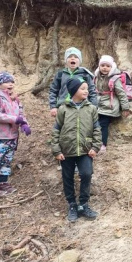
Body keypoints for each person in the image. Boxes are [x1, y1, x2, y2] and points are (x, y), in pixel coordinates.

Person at [51, 78, 101, 222]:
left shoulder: (91, 108)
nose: (86, 91)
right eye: (82, 88)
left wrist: (95, 147)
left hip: (86, 150)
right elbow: (56, 130)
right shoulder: (63, 109)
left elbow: (97, 129)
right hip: (66, 150)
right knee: (67, 177)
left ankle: (84, 204)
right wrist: (56, 150)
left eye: (87, 88)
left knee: (86, 174)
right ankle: (72, 205)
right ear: (74, 91)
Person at [0, 72, 31, 198]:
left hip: (12, 137)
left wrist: (24, 124)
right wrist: (15, 119)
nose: (10, 84)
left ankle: (2, 183)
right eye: (7, 82)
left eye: (12, 82)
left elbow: (21, 114)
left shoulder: (14, 99)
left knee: (6, 161)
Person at [94, 55, 132, 153]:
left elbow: (121, 94)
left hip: (109, 106)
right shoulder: (97, 77)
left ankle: (103, 144)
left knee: (103, 124)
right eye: (102, 65)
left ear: (112, 67)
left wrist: (125, 108)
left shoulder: (115, 79)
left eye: (107, 66)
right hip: (98, 104)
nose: (105, 68)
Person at [49, 47, 97, 116]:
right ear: (66, 60)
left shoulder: (85, 74)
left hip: (81, 107)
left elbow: (92, 91)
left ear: (80, 61)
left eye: (76, 57)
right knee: (63, 126)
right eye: (69, 57)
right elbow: (53, 91)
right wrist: (53, 107)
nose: (72, 58)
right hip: (63, 107)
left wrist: (94, 107)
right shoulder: (60, 74)